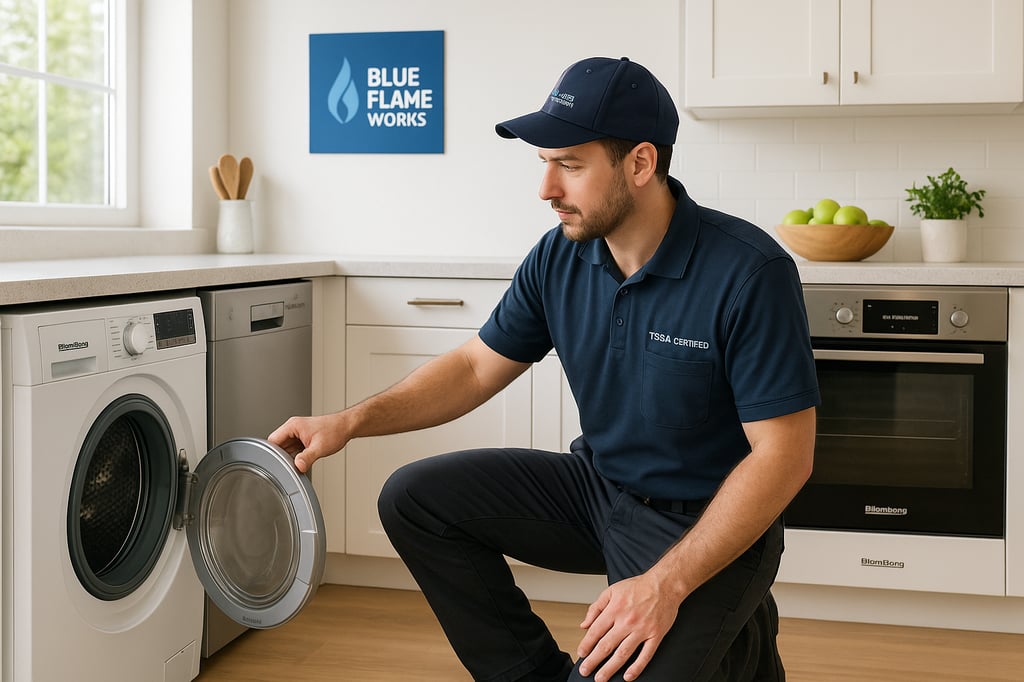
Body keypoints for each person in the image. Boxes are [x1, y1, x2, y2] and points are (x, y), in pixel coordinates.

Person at [270, 56, 819, 682]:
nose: (546, 189)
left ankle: (734, 634)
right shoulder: (560, 255)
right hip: (598, 490)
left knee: (673, 635)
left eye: (571, 165)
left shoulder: (748, 272)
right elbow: (478, 367)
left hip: (703, 521)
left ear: (640, 164)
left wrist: (664, 586)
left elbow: (784, 456)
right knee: (414, 500)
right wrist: (349, 422)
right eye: (544, 164)